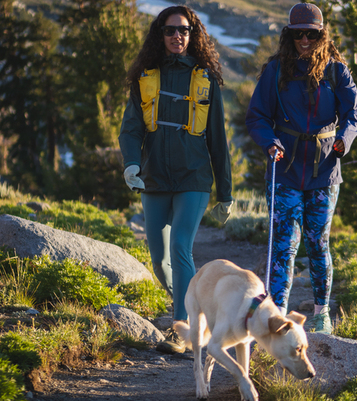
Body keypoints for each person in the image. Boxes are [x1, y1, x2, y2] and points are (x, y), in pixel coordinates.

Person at [245, 3, 357, 334]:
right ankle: (277, 315)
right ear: (289, 35)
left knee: (317, 242)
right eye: (298, 34)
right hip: (283, 168)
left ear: (321, 35)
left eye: (311, 34)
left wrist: (344, 139)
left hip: (325, 169)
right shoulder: (275, 70)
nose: (304, 40)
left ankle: (321, 313)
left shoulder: (336, 70)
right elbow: (257, 116)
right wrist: (269, 141)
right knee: (283, 244)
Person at [119, 6, 233, 353]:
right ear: (160, 34)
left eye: (183, 30)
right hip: (153, 178)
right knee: (159, 259)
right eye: (170, 30)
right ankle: (191, 307)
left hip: (193, 178)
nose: (177, 36)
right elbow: (131, 128)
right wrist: (131, 164)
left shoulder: (205, 79)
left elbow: (218, 140)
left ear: (192, 33)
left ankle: (183, 331)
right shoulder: (145, 77)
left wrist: (225, 193)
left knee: (180, 246)